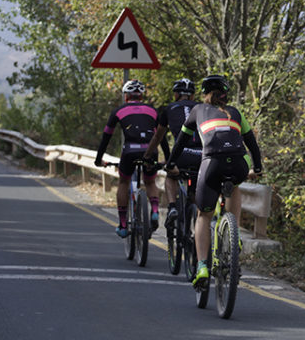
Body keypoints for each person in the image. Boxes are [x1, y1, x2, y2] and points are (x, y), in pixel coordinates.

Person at [165, 74, 262, 288]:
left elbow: (180, 142)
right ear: (226, 96)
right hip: (238, 162)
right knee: (234, 184)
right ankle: (233, 234)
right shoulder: (236, 112)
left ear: (204, 94)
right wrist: (258, 168)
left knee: (203, 216)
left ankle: (201, 267)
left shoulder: (197, 111)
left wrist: (170, 163)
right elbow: (252, 145)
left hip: (211, 164)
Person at [95, 79, 162, 238]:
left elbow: (106, 137)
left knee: (124, 182)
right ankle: (154, 211)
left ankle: (123, 224)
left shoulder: (118, 111)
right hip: (150, 150)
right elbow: (161, 136)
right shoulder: (153, 111)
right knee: (150, 181)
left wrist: (99, 159)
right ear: (141, 96)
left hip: (130, 151)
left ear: (126, 96)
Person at [144, 78, 201, 228]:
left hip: (181, 154)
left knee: (171, 175)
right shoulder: (203, 108)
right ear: (193, 96)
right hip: (202, 154)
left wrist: (147, 156)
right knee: (194, 188)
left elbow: (158, 136)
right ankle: (196, 217)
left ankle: (172, 207)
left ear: (176, 95)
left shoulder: (169, 108)